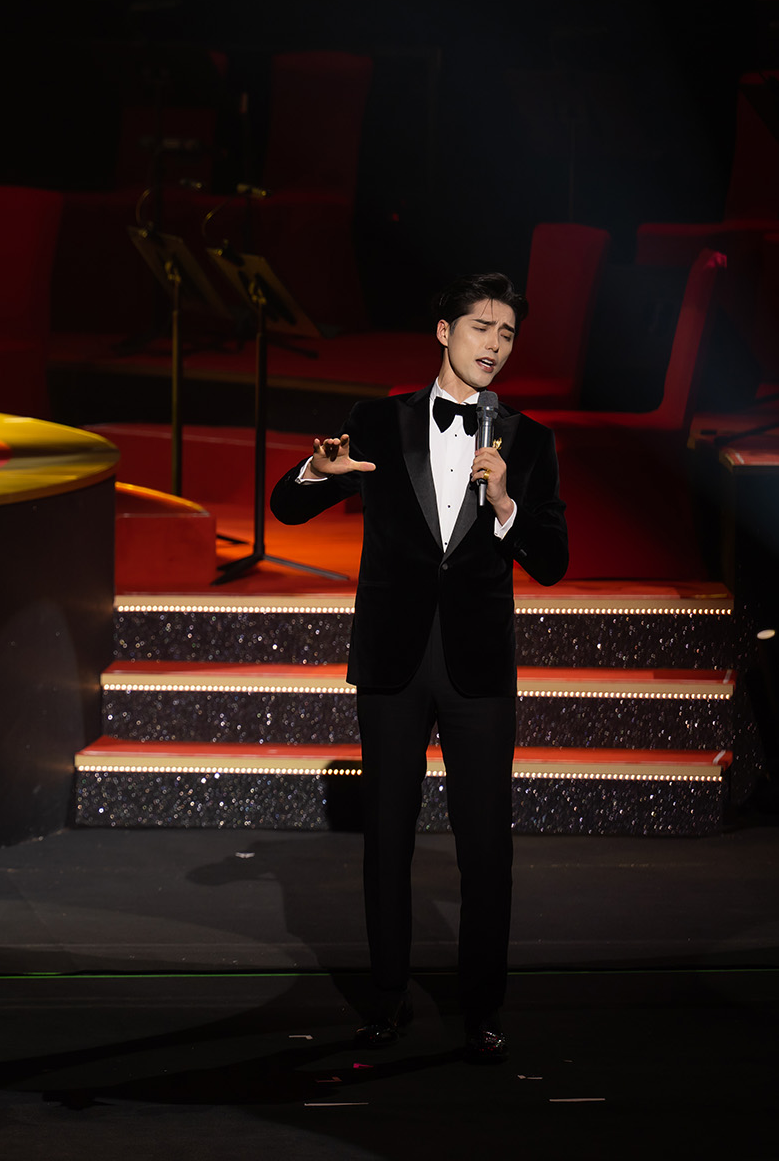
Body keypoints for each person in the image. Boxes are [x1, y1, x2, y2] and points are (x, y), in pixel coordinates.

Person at [270, 273, 568, 1065]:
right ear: (443, 331)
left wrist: (506, 504)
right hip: (395, 663)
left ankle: (483, 1009)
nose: (494, 345)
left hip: (479, 671)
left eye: (507, 333)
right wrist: (315, 475)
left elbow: (553, 561)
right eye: (481, 328)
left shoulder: (528, 440)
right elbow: (285, 508)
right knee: (387, 843)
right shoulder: (378, 419)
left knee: (486, 849)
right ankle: (387, 1000)